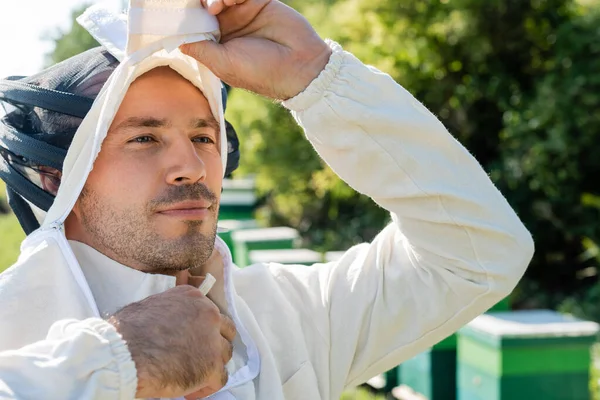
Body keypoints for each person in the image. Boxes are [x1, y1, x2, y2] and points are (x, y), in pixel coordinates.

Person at [0, 0, 534, 399]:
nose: (191, 166)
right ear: (54, 178)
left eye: (204, 137)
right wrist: (122, 361)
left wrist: (316, 78)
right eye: (144, 139)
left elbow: (478, 254)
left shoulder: (288, 314)